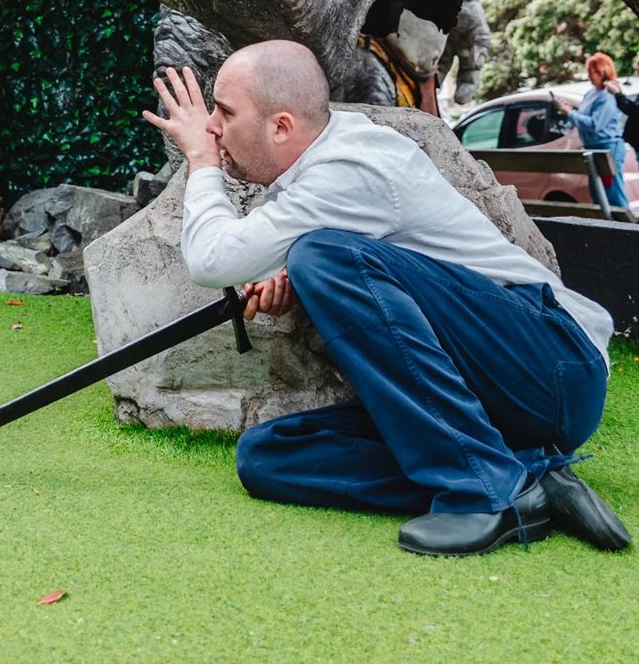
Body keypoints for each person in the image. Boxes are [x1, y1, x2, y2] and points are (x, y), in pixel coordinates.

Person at [143, 40, 630, 557]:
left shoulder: (350, 168)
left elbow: (213, 261)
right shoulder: (316, 166)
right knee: (267, 457)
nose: (213, 126)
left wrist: (200, 160)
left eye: (225, 112)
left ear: (281, 127)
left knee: (321, 257)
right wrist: (293, 268)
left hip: (553, 366)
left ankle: (485, 492)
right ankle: (527, 475)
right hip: (489, 395)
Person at [557, 53, 632, 214]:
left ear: (603, 71)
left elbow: (595, 124)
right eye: (589, 71)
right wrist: (570, 110)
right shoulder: (591, 93)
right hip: (592, 149)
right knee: (598, 195)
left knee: (613, 194)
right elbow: (585, 117)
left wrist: (570, 113)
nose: (590, 76)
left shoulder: (609, 94)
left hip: (607, 148)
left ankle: (627, 231)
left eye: (594, 72)